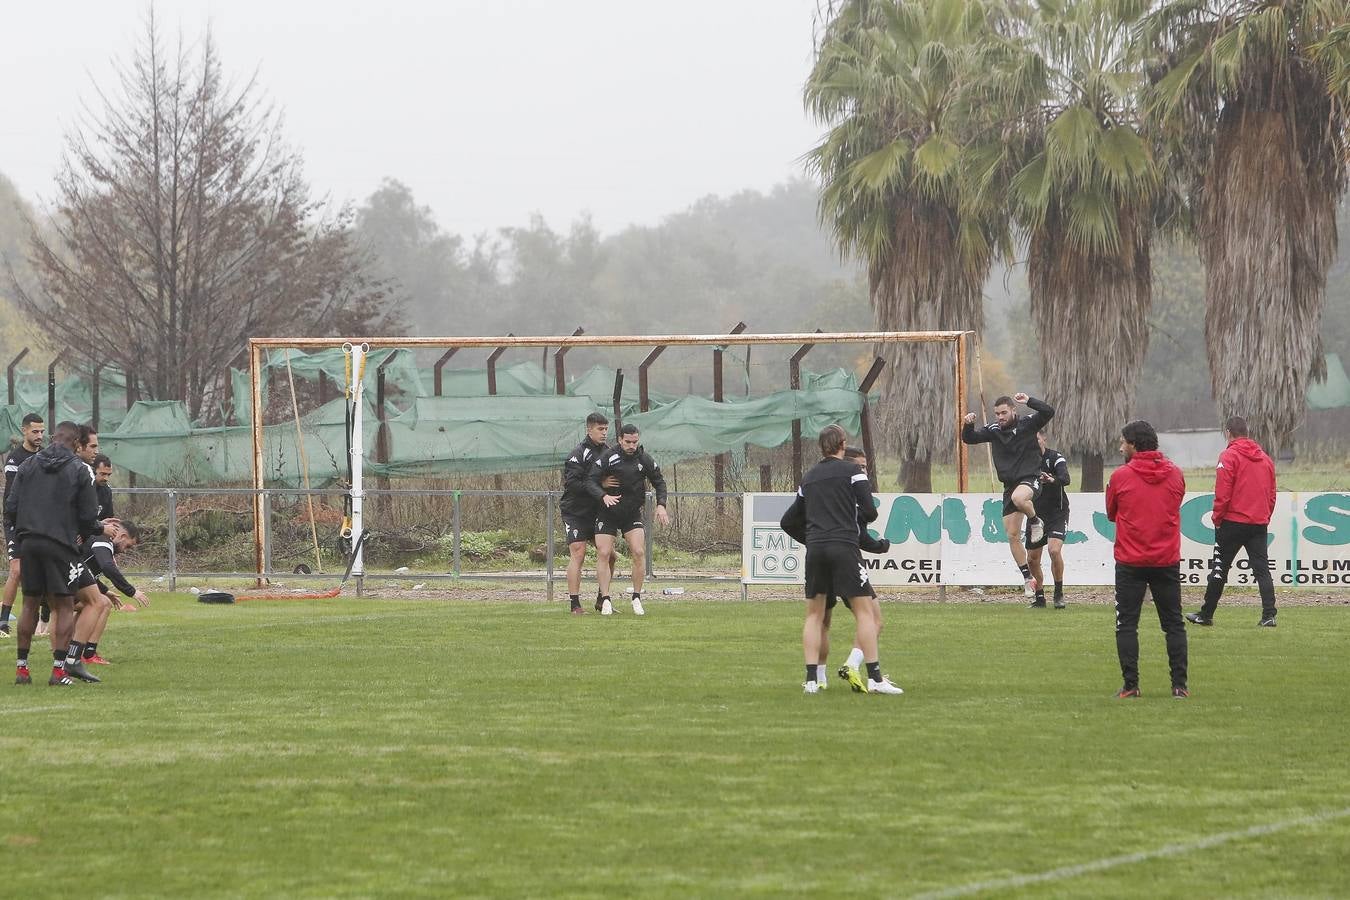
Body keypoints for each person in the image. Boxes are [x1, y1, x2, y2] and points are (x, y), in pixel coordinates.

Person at [782, 425, 901, 695]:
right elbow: (869, 512)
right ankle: (875, 678)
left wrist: (811, 538)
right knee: (866, 614)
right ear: (842, 444)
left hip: (815, 550)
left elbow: (788, 521)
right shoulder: (853, 473)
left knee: (815, 616)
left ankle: (812, 681)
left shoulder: (809, 478)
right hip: (844, 547)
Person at [3, 421, 103, 686]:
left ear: (52, 437)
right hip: (60, 543)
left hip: (29, 542)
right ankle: (59, 670)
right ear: (77, 444)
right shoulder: (79, 469)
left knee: (29, 603)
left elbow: (10, 507)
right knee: (65, 605)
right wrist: (91, 530)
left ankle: (22, 669)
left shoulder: (28, 465)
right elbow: (89, 516)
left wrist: (21, 536)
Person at [1105, 420, 1188, 699]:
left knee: (1127, 624)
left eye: (1123, 442)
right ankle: (1179, 685)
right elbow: (1173, 505)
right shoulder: (1176, 474)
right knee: (1173, 624)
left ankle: (1131, 685)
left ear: (1134, 445)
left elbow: (1111, 512)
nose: (1120, 447)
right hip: (1166, 559)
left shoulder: (1120, 477)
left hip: (1131, 560)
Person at [1186, 416, 1278, 628]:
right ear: (1247, 432)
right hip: (1258, 523)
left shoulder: (1228, 456)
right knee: (1262, 570)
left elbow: (1223, 493)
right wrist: (1265, 516)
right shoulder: (1265, 459)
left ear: (1228, 432)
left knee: (1219, 568)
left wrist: (1217, 518)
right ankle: (1269, 615)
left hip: (1232, 522)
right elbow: (1272, 494)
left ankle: (1206, 614)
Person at [962, 392, 1055, 598]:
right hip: (1009, 485)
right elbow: (969, 439)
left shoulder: (1028, 424)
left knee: (1019, 498)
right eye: (997, 414)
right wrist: (968, 424)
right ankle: (1027, 578)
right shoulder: (994, 430)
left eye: (1004, 412)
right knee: (1012, 535)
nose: (1000, 417)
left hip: (1031, 478)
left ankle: (1036, 521)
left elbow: (1049, 411)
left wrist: (1029, 401)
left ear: (1014, 410)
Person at [586, 423, 670, 616]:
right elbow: (590, 480)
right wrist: (603, 495)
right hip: (607, 512)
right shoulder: (608, 457)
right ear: (620, 440)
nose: (632, 445)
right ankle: (605, 599)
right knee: (604, 553)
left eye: (635, 441)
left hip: (631, 513)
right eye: (628, 442)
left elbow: (659, 481)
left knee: (639, 551)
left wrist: (661, 505)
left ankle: (637, 598)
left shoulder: (644, 459)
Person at [73, 519, 150, 665]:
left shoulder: (97, 541)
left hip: (62, 582)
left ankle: (67, 649)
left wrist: (106, 590)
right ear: (122, 536)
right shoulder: (103, 540)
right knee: (102, 604)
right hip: (65, 585)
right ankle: (89, 653)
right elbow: (107, 567)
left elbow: (86, 572)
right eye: (128, 546)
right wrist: (132, 591)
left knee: (90, 605)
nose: (125, 550)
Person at [560, 413, 613, 615]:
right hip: (575, 511)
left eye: (606, 429)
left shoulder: (609, 452)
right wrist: (600, 486)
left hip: (598, 511)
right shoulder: (578, 454)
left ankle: (603, 598)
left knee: (610, 555)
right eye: (600, 429)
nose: (604, 433)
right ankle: (575, 604)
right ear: (589, 430)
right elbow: (573, 484)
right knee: (578, 552)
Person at [0, 412, 45, 638]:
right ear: (24, 431)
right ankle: (2, 623)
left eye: (42, 431)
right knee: (17, 570)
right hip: (16, 522)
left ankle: (43, 623)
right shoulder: (15, 459)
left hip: (39, 523)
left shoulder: (46, 457)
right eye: (35, 431)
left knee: (43, 571)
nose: (39, 435)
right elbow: (12, 498)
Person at [1027, 432, 1071, 609]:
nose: (1035, 443)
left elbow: (1066, 479)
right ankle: (1039, 597)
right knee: (1032, 559)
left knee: (1054, 550)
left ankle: (1058, 593)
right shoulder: (1026, 462)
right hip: (1035, 516)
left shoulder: (1055, 457)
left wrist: (1052, 479)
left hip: (1057, 513)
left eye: (1037, 439)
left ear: (1044, 439)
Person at [93, 453, 115, 520]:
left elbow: (109, 517)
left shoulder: (106, 491)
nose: (106, 478)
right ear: (93, 470)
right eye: (103, 474)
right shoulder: (81, 488)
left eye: (109, 475)